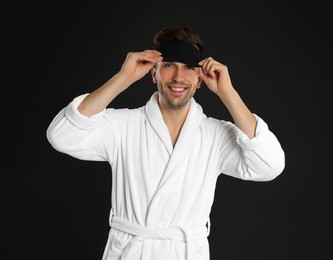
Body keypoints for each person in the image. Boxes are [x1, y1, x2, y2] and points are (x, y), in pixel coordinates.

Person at [46, 25, 285, 260]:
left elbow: (269, 165)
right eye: (169, 65)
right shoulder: (122, 126)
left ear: (200, 79)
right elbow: (62, 135)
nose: (179, 77)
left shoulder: (215, 136)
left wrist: (227, 92)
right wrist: (123, 78)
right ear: (154, 73)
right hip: (131, 251)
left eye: (189, 68)